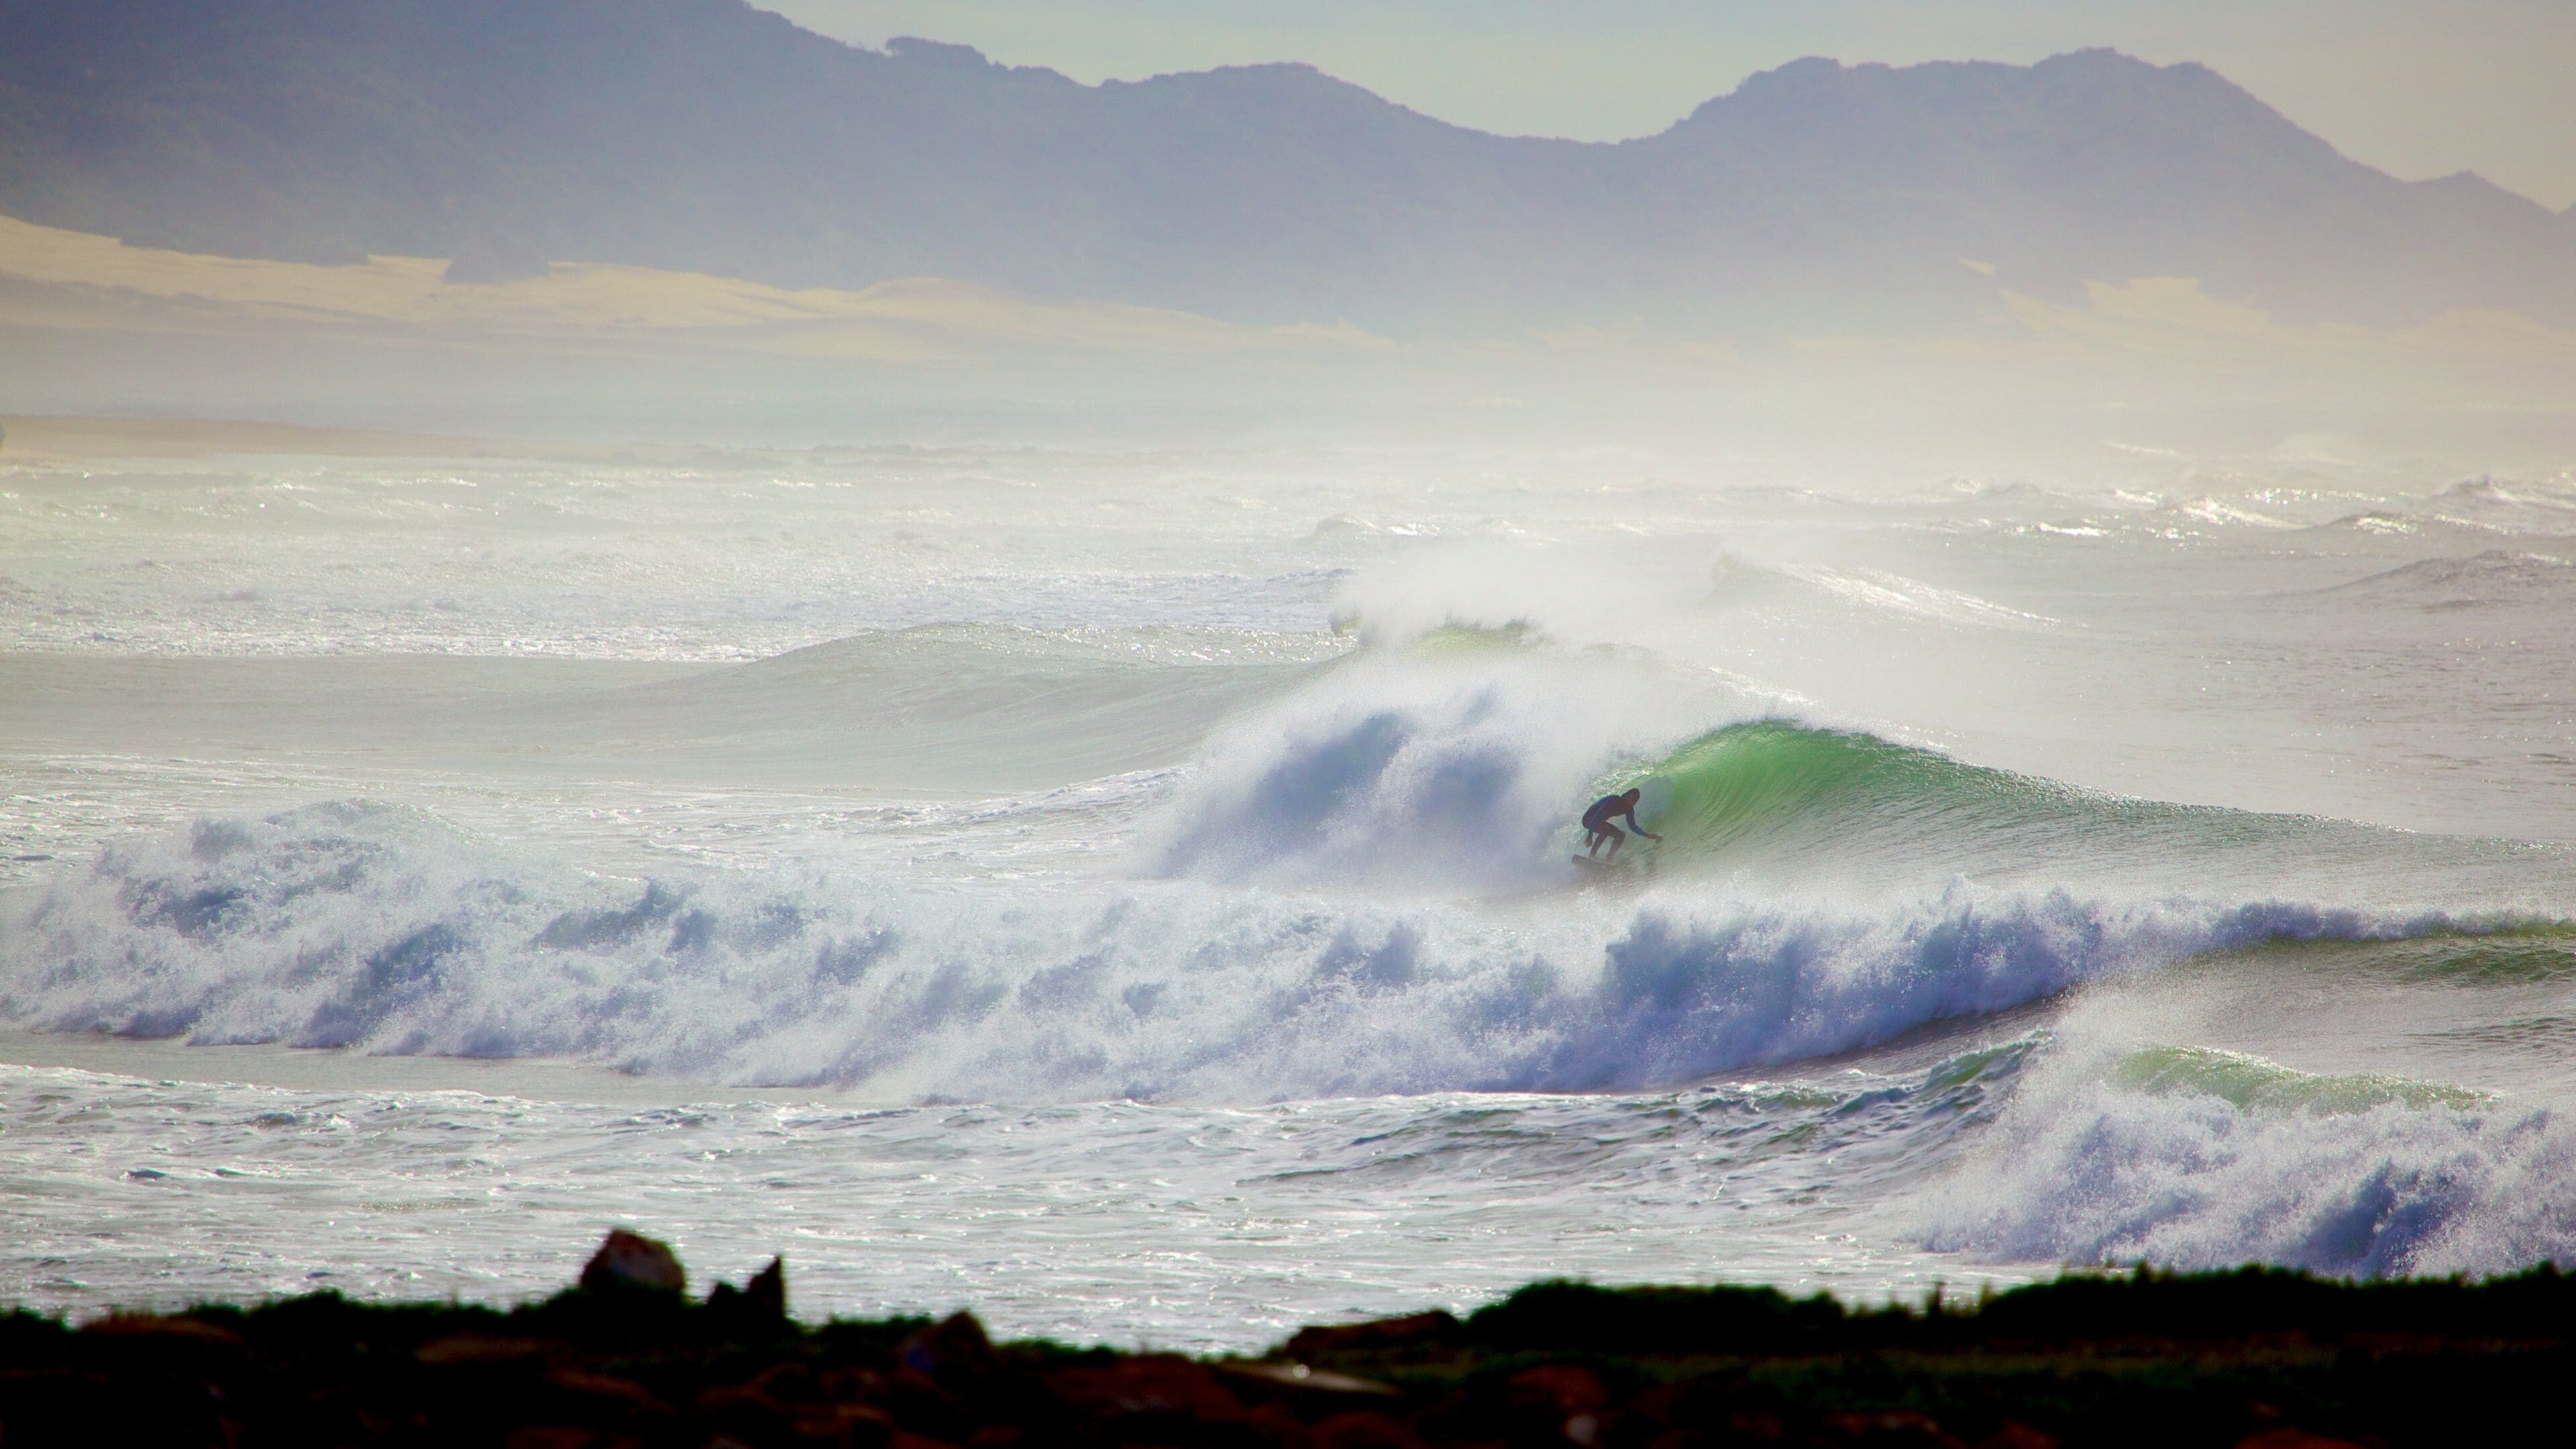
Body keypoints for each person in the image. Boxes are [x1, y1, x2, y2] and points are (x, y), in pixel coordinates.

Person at [1580, 788, 1660, 862]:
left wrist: (1648, 835)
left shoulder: (1629, 810)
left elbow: (1633, 827)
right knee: (1604, 831)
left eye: (1635, 801)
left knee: (1620, 835)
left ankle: (1609, 857)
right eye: (1632, 799)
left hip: (1600, 822)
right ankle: (1592, 856)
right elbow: (1597, 816)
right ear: (1627, 796)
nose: (1633, 803)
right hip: (1589, 819)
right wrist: (1590, 835)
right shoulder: (1614, 800)